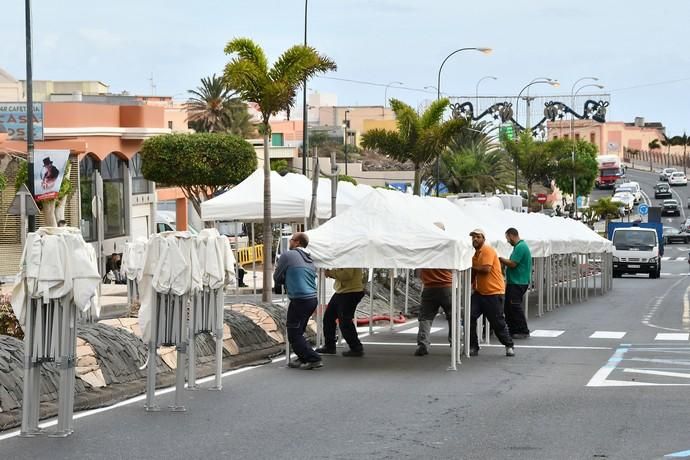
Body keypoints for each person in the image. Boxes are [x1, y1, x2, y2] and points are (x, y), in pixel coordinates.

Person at [273, 232, 322, 370]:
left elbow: (277, 277)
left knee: (293, 332)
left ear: (298, 242)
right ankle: (302, 357)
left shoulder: (288, 255)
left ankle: (313, 358)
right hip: (312, 299)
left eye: (291, 240)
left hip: (300, 299)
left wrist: (285, 279)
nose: (289, 242)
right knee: (299, 330)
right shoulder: (309, 259)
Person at [469, 228, 515, 357]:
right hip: (480, 293)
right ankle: (473, 346)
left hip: (493, 292)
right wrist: (470, 281)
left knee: (497, 322)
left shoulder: (487, 250)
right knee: (469, 317)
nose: (475, 239)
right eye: (473, 237)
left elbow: (486, 269)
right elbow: (475, 273)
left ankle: (509, 345)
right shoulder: (475, 255)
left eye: (478, 237)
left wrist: (470, 267)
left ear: (483, 238)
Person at [315, 268, 366, 357]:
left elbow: (347, 274)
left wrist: (330, 273)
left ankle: (356, 347)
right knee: (329, 318)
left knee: (344, 321)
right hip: (343, 291)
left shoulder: (348, 256)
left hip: (350, 292)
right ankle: (330, 346)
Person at [499, 228, 532, 339]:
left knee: (514, 306)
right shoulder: (519, 247)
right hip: (515, 281)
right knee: (509, 307)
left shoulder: (520, 247)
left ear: (511, 235)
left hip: (518, 282)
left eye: (507, 238)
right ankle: (513, 329)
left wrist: (500, 259)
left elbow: (513, 264)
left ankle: (523, 330)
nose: (508, 241)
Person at [413, 266, 453, 356]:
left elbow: (419, 272)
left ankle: (423, 344)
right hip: (448, 286)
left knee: (425, 317)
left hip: (429, 287)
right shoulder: (447, 253)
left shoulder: (426, 252)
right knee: (453, 317)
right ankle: (455, 344)